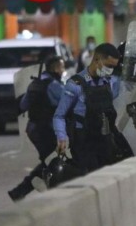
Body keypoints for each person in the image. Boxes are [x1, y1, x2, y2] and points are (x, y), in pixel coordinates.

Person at [54, 43, 123, 173]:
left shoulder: (110, 83)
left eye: (113, 67)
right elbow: (60, 115)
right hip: (84, 142)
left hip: (105, 140)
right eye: (108, 66)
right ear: (96, 60)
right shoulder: (75, 85)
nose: (111, 70)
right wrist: (62, 137)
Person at [8, 56, 65, 201]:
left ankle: (21, 191)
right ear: (55, 68)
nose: (63, 70)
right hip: (47, 129)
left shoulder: (35, 83)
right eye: (61, 67)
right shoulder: (54, 85)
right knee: (53, 161)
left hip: (33, 129)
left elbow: (22, 105)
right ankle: (22, 190)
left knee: (51, 161)